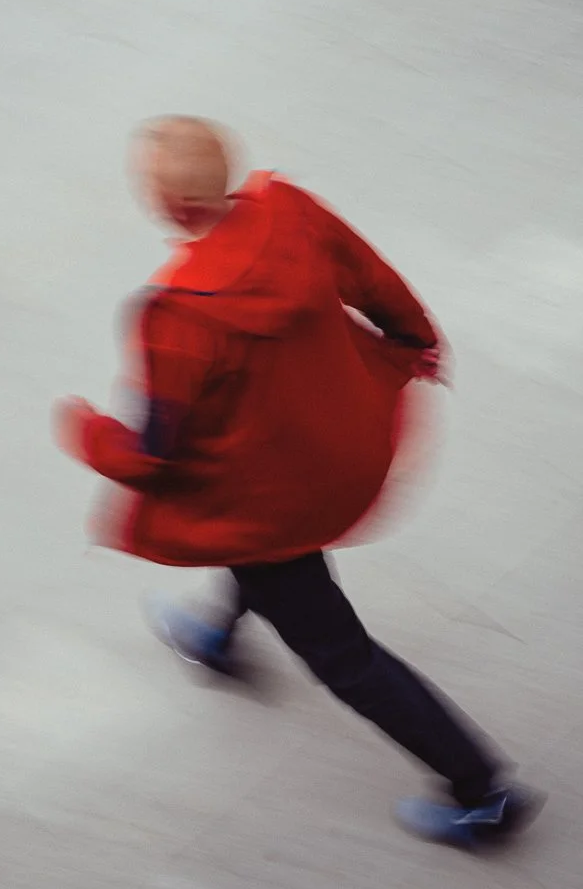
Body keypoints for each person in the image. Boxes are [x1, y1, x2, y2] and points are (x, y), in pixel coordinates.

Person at [54, 116, 543, 848]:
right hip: (329, 456)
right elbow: (373, 279)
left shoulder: (177, 315)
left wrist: (87, 433)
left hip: (265, 504)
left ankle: (482, 793)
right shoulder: (287, 210)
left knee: (339, 652)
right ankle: (217, 637)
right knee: (261, 561)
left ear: (167, 204)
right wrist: (414, 339)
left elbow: (155, 455)